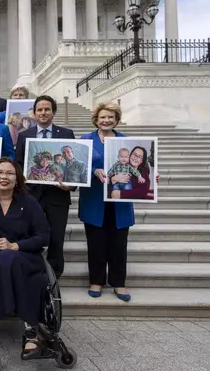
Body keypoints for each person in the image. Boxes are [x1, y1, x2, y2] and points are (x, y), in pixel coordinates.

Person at [79, 102, 158, 302]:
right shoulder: (86, 139)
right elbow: (79, 168)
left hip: (120, 202)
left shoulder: (126, 141)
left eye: (111, 117)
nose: (106, 120)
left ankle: (118, 283)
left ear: (116, 119)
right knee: (96, 243)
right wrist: (93, 172)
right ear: (96, 118)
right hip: (94, 200)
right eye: (103, 117)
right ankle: (96, 281)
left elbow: (139, 169)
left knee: (118, 244)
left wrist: (152, 178)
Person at [0, 157, 50, 359]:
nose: (4, 177)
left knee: (10, 258)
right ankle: (30, 328)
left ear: (17, 179)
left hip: (26, 257)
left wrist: (15, 245)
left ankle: (22, 322)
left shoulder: (29, 203)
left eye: (9, 173)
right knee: (4, 259)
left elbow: (44, 236)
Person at [15, 95, 76, 279]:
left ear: (53, 112)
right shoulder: (24, 135)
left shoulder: (67, 134)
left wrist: (71, 185)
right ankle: (31, 271)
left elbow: (72, 166)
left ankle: (54, 276)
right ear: (34, 113)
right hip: (31, 196)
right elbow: (18, 164)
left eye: (47, 109)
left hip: (58, 197)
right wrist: (22, 178)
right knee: (30, 235)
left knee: (56, 239)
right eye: (39, 109)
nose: (43, 113)